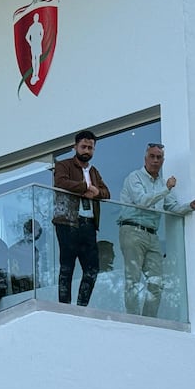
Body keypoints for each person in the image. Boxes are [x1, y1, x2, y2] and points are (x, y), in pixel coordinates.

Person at [118, 143, 195, 317]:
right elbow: (142, 201)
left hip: (152, 235)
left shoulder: (162, 183)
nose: (155, 160)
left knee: (157, 282)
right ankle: (133, 320)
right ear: (145, 159)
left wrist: (190, 206)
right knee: (133, 279)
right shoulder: (134, 177)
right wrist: (166, 189)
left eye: (159, 157)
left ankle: (148, 321)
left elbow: (173, 207)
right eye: (152, 156)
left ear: (163, 161)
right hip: (132, 230)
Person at [52, 130, 110, 306]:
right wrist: (84, 187)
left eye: (90, 148)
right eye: (83, 147)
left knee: (92, 268)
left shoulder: (94, 171)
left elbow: (107, 193)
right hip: (67, 222)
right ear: (75, 147)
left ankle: (81, 306)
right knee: (67, 267)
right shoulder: (63, 165)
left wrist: (96, 192)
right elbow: (60, 182)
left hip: (89, 224)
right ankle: (65, 307)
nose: (86, 151)